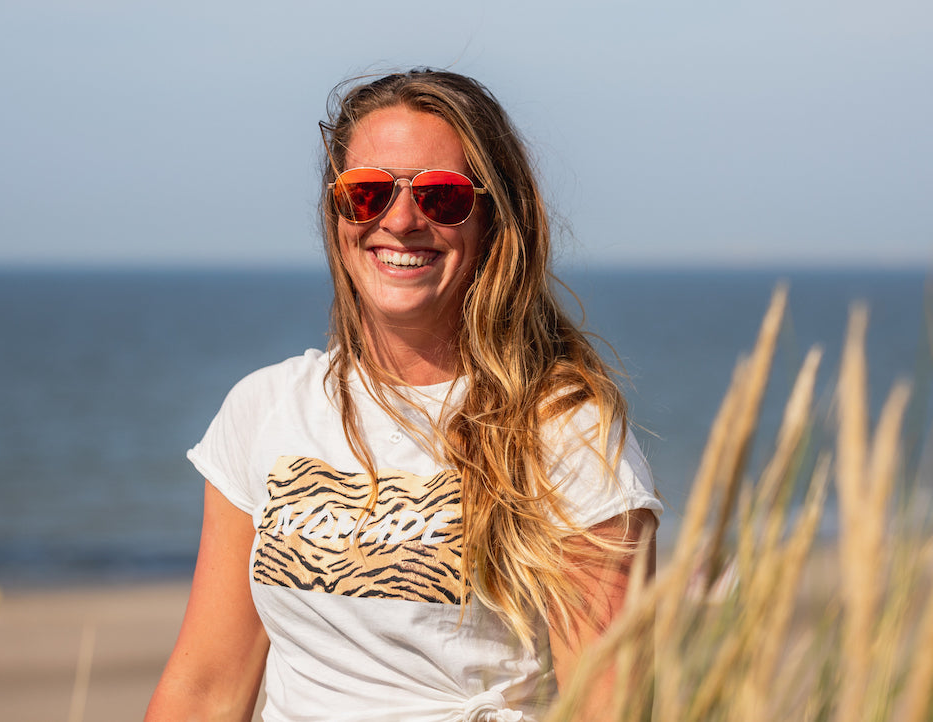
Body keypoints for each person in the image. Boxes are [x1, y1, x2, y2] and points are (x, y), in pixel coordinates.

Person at [146, 68, 661, 722]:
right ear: (337, 212)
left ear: (493, 220)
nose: (400, 219)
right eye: (366, 193)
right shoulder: (264, 410)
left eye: (441, 196)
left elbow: (611, 705)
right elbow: (205, 690)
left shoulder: (563, 432)